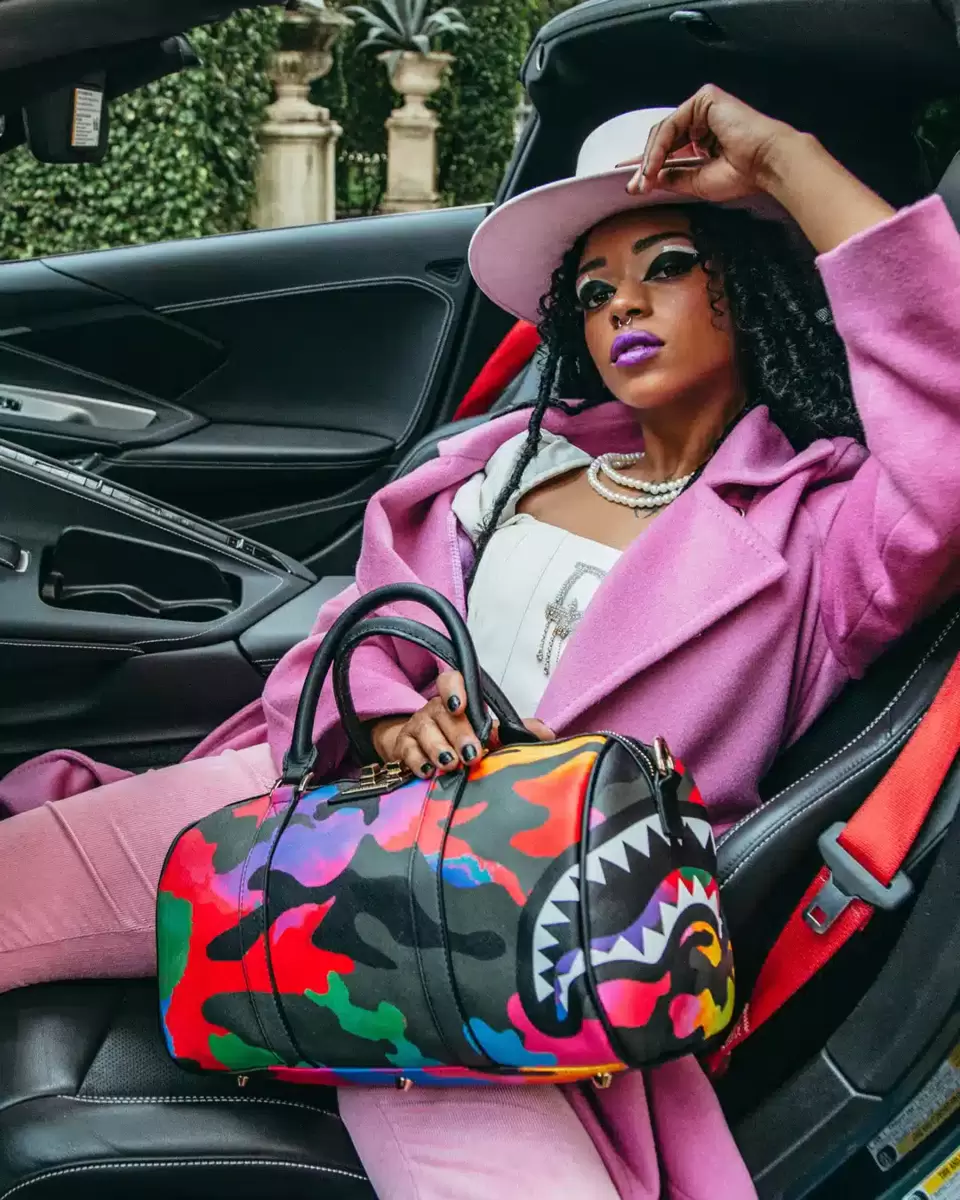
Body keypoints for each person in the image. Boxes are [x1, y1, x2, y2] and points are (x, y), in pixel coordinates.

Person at [2, 85, 960, 1199]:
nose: (622, 304)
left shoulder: (820, 527)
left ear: (747, 292)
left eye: (665, 266)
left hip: (517, 922)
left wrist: (785, 159)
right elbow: (350, 635)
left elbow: (945, 448)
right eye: (593, 291)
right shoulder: (500, 466)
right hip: (312, 814)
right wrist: (387, 716)